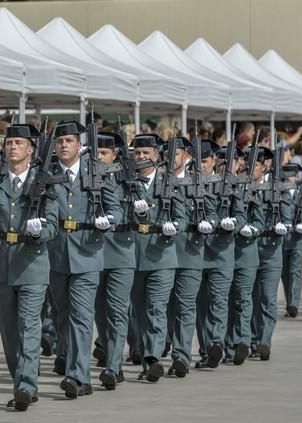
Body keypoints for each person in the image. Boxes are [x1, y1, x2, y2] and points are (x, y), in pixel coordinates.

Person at [0, 124, 58, 411]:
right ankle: (22, 379)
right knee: (8, 330)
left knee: (29, 326)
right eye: (9, 143)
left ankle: (26, 386)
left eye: (19, 143)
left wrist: (39, 231)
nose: (12, 147)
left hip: (31, 262)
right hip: (2, 262)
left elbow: (53, 226)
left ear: (31, 149)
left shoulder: (45, 182)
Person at [47, 121, 119, 398]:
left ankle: (78, 376)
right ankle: (73, 367)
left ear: (80, 145)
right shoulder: (48, 174)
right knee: (62, 316)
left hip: (88, 254)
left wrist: (108, 220)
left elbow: (115, 209)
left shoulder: (96, 174)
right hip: (56, 255)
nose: (64, 145)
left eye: (69, 140)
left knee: (81, 316)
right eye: (60, 141)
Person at [129, 133, 185, 382]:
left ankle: (152, 359)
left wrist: (174, 226)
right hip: (133, 255)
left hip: (162, 254)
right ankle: (145, 353)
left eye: (146, 153)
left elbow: (182, 217)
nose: (141, 157)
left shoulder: (169, 182)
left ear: (157, 155)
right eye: (137, 153)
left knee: (156, 308)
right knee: (139, 312)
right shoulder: (127, 182)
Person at [166, 138, 217, 377]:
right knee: (160, 308)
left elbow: (212, 212)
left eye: (173, 154)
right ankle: (156, 351)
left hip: (189, 252)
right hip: (159, 254)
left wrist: (209, 223)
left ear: (186, 156)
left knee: (185, 307)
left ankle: (181, 357)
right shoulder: (157, 179)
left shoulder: (197, 180)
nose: (169, 158)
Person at [195, 140, 247, 369]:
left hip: (222, 251)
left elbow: (241, 216)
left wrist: (232, 223)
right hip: (195, 252)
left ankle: (216, 344)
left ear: (214, 161)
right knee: (199, 306)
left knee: (218, 301)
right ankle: (207, 350)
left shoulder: (228, 184)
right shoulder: (189, 183)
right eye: (197, 162)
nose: (201, 166)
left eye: (204, 162)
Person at [92, 132, 131, 388]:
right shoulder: (88, 179)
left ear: (115, 155)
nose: (98, 158)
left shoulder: (127, 179)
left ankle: (114, 366)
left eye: (104, 153)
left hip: (121, 252)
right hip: (93, 253)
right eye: (95, 153)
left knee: (117, 311)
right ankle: (108, 351)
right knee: (99, 313)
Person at [250, 147, 293, 361]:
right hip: (247, 248)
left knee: (267, 296)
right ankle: (249, 340)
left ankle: (264, 341)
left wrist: (284, 225)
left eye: (255, 165)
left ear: (264, 165)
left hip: (271, 248)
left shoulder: (277, 187)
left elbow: (287, 216)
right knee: (249, 297)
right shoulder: (242, 186)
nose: (250, 169)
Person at [225, 146, 264, 365]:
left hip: (245, 251)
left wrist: (252, 228)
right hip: (221, 251)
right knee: (224, 301)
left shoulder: (248, 187)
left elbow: (259, 219)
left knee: (242, 298)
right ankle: (224, 344)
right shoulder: (215, 184)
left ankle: (242, 341)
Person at [280, 162, 302, 318]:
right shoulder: (279, 193)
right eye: (286, 177)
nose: (289, 180)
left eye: (292, 176)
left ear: (297, 176)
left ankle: (293, 304)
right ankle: (289, 303)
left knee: (295, 271)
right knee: (285, 273)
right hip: (283, 239)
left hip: (299, 239)